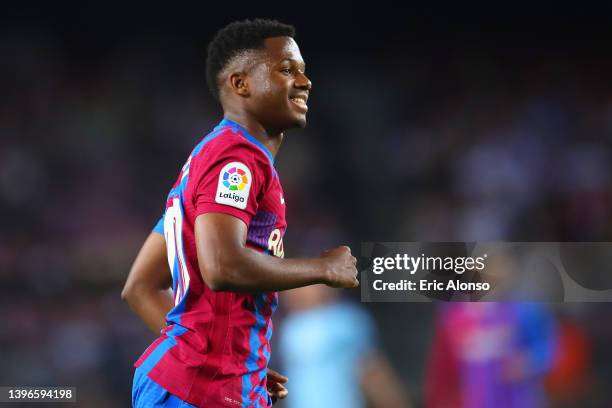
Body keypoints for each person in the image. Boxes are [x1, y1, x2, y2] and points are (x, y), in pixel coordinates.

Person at [121, 19, 359, 408]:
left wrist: (228, 361)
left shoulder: (208, 158)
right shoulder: (237, 158)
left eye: (302, 69)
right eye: (286, 69)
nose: (304, 81)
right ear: (240, 84)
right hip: (199, 392)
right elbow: (222, 266)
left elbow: (141, 286)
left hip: (200, 384)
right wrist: (322, 269)